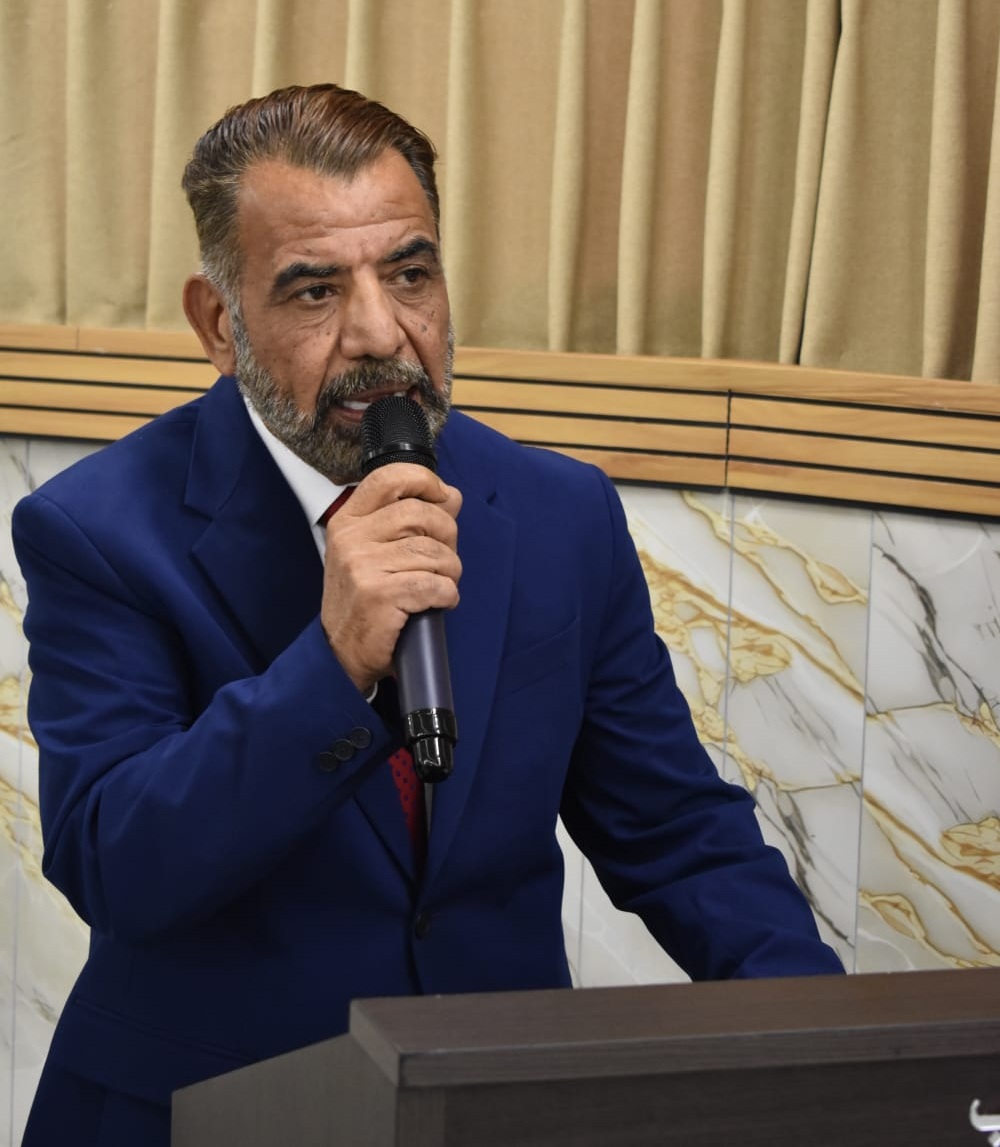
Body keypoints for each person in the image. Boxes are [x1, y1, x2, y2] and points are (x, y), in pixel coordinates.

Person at [13, 83, 843, 1146]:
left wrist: (837, 1050)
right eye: (315, 291)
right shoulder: (96, 528)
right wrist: (330, 666)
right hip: (199, 1113)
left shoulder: (558, 513)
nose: (380, 332)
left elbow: (676, 832)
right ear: (220, 322)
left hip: (487, 1102)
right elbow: (116, 866)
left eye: (409, 274)